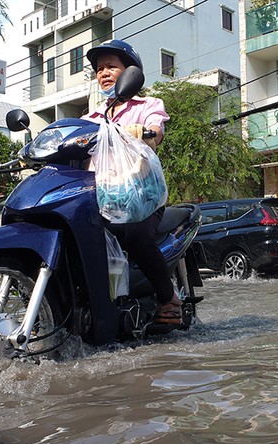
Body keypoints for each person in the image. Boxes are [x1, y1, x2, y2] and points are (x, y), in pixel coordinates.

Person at [81, 39, 181, 324]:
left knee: (136, 235)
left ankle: (168, 298)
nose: (103, 73)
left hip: (142, 197)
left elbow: (156, 129)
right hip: (101, 198)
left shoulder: (147, 105)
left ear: (129, 74)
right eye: (99, 69)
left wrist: (146, 131)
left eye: (111, 66)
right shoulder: (91, 117)